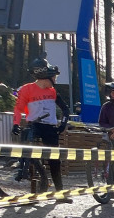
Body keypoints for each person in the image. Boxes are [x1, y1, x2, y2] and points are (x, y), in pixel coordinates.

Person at [12, 58, 73, 203]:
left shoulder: (53, 91)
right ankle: (22, 168)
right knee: (26, 147)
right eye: (54, 76)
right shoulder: (27, 89)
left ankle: (60, 193)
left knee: (54, 161)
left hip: (50, 128)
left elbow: (65, 109)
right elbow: (18, 108)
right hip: (34, 125)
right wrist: (15, 124)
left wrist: (63, 125)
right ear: (46, 76)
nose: (55, 79)